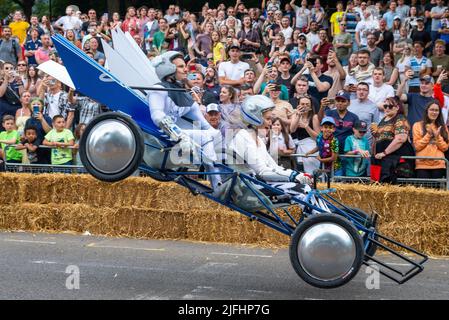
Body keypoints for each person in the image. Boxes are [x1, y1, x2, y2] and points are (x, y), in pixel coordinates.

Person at [148, 51, 221, 189]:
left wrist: (223, 138)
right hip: (159, 139)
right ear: (168, 69)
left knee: (220, 136)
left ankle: (230, 177)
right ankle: (217, 185)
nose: (186, 69)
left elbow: (206, 126)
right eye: (181, 66)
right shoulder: (159, 88)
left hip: (176, 138)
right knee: (205, 137)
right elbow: (157, 116)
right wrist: (179, 135)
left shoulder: (184, 95)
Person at [226, 94, 312, 186]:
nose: (271, 123)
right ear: (254, 119)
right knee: (301, 193)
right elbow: (262, 172)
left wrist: (298, 174)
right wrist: (293, 176)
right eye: (268, 119)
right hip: (244, 189)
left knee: (304, 189)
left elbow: (274, 167)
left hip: (253, 186)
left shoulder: (258, 139)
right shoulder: (243, 137)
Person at [371, 97, 415, 183]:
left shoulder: (400, 118)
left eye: (390, 106)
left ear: (397, 107)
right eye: (385, 106)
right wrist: (376, 134)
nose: (387, 108)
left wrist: (384, 153)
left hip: (396, 160)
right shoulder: (383, 120)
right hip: (383, 160)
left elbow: (400, 138)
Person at [412, 101, 449, 179]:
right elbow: (417, 146)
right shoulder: (417, 125)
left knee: (436, 190)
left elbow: (445, 148)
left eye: (436, 110)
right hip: (422, 164)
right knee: (423, 191)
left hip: (438, 164)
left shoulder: (443, 127)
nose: (434, 112)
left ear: (439, 113)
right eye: (432, 110)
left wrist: (437, 136)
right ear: (427, 111)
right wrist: (429, 135)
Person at [290, 95, 321, 174]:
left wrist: (306, 127)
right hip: (300, 146)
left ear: (310, 107)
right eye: (302, 104)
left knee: (313, 172)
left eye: (307, 104)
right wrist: (298, 115)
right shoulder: (295, 115)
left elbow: (318, 137)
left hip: (312, 147)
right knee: (301, 171)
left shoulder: (314, 117)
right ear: (298, 105)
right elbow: (292, 129)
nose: (305, 106)